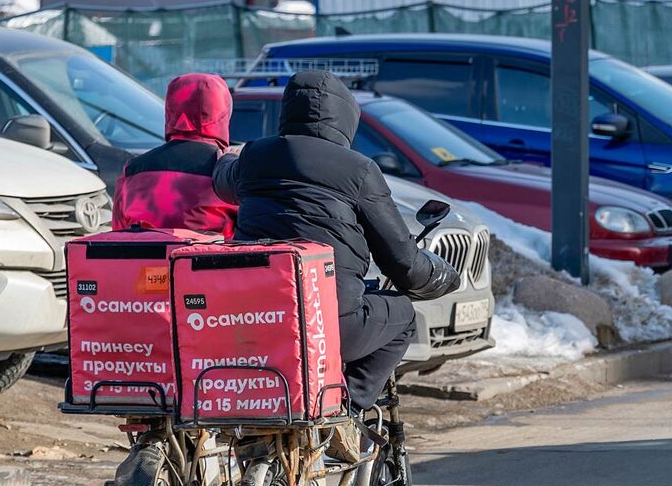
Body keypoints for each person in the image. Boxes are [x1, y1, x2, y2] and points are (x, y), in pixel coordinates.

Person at [213, 70, 460, 410]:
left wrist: (224, 155)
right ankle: (349, 409)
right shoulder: (358, 170)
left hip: (257, 323)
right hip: (329, 328)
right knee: (402, 314)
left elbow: (222, 179)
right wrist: (443, 275)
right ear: (346, 117)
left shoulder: (255, 156)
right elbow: (403, 262)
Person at [112, 73, 237, 235]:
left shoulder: (133, 169)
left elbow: (118, 233)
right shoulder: (229, 171)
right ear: (223, 112)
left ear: (170, 109)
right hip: (210, 259)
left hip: (145, 259)